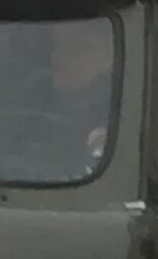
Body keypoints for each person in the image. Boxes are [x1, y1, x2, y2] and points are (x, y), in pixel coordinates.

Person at [48, 18, 114, 174]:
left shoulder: (121, 110)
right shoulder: (25, 97)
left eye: (81, 48)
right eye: (58, 45)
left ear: (108, 60)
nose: (63, 57)